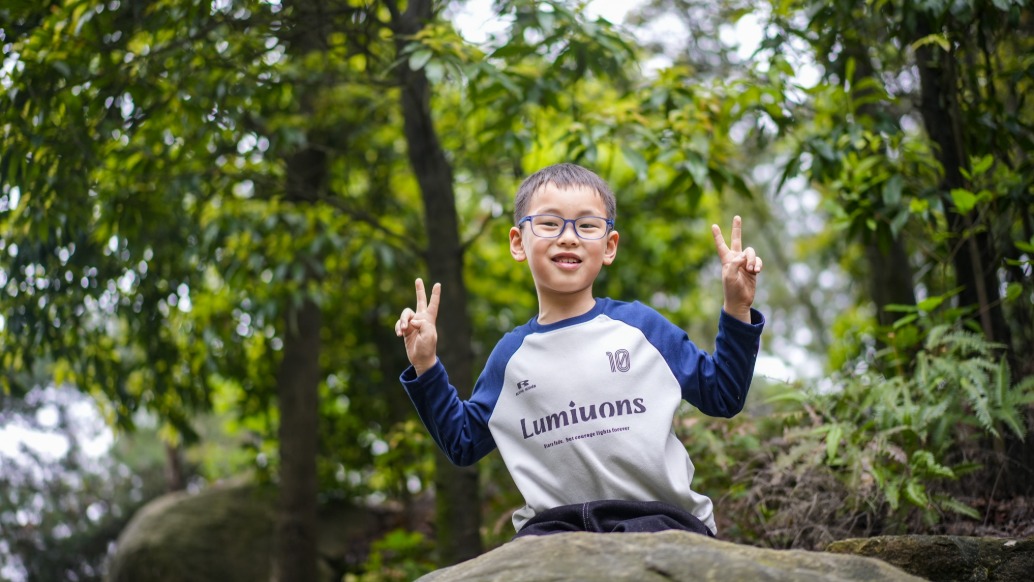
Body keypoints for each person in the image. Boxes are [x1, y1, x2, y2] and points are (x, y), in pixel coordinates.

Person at [394, 162, 765, 538]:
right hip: (553, 531)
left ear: (609, 246)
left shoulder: (642, 328)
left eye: (587, 226)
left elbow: (723, 394)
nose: (568, 237)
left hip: (658, 522)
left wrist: (737, 308)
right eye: (550, 223)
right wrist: (426, 365)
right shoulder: (511, 357)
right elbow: (463, 442)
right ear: (518, 242)